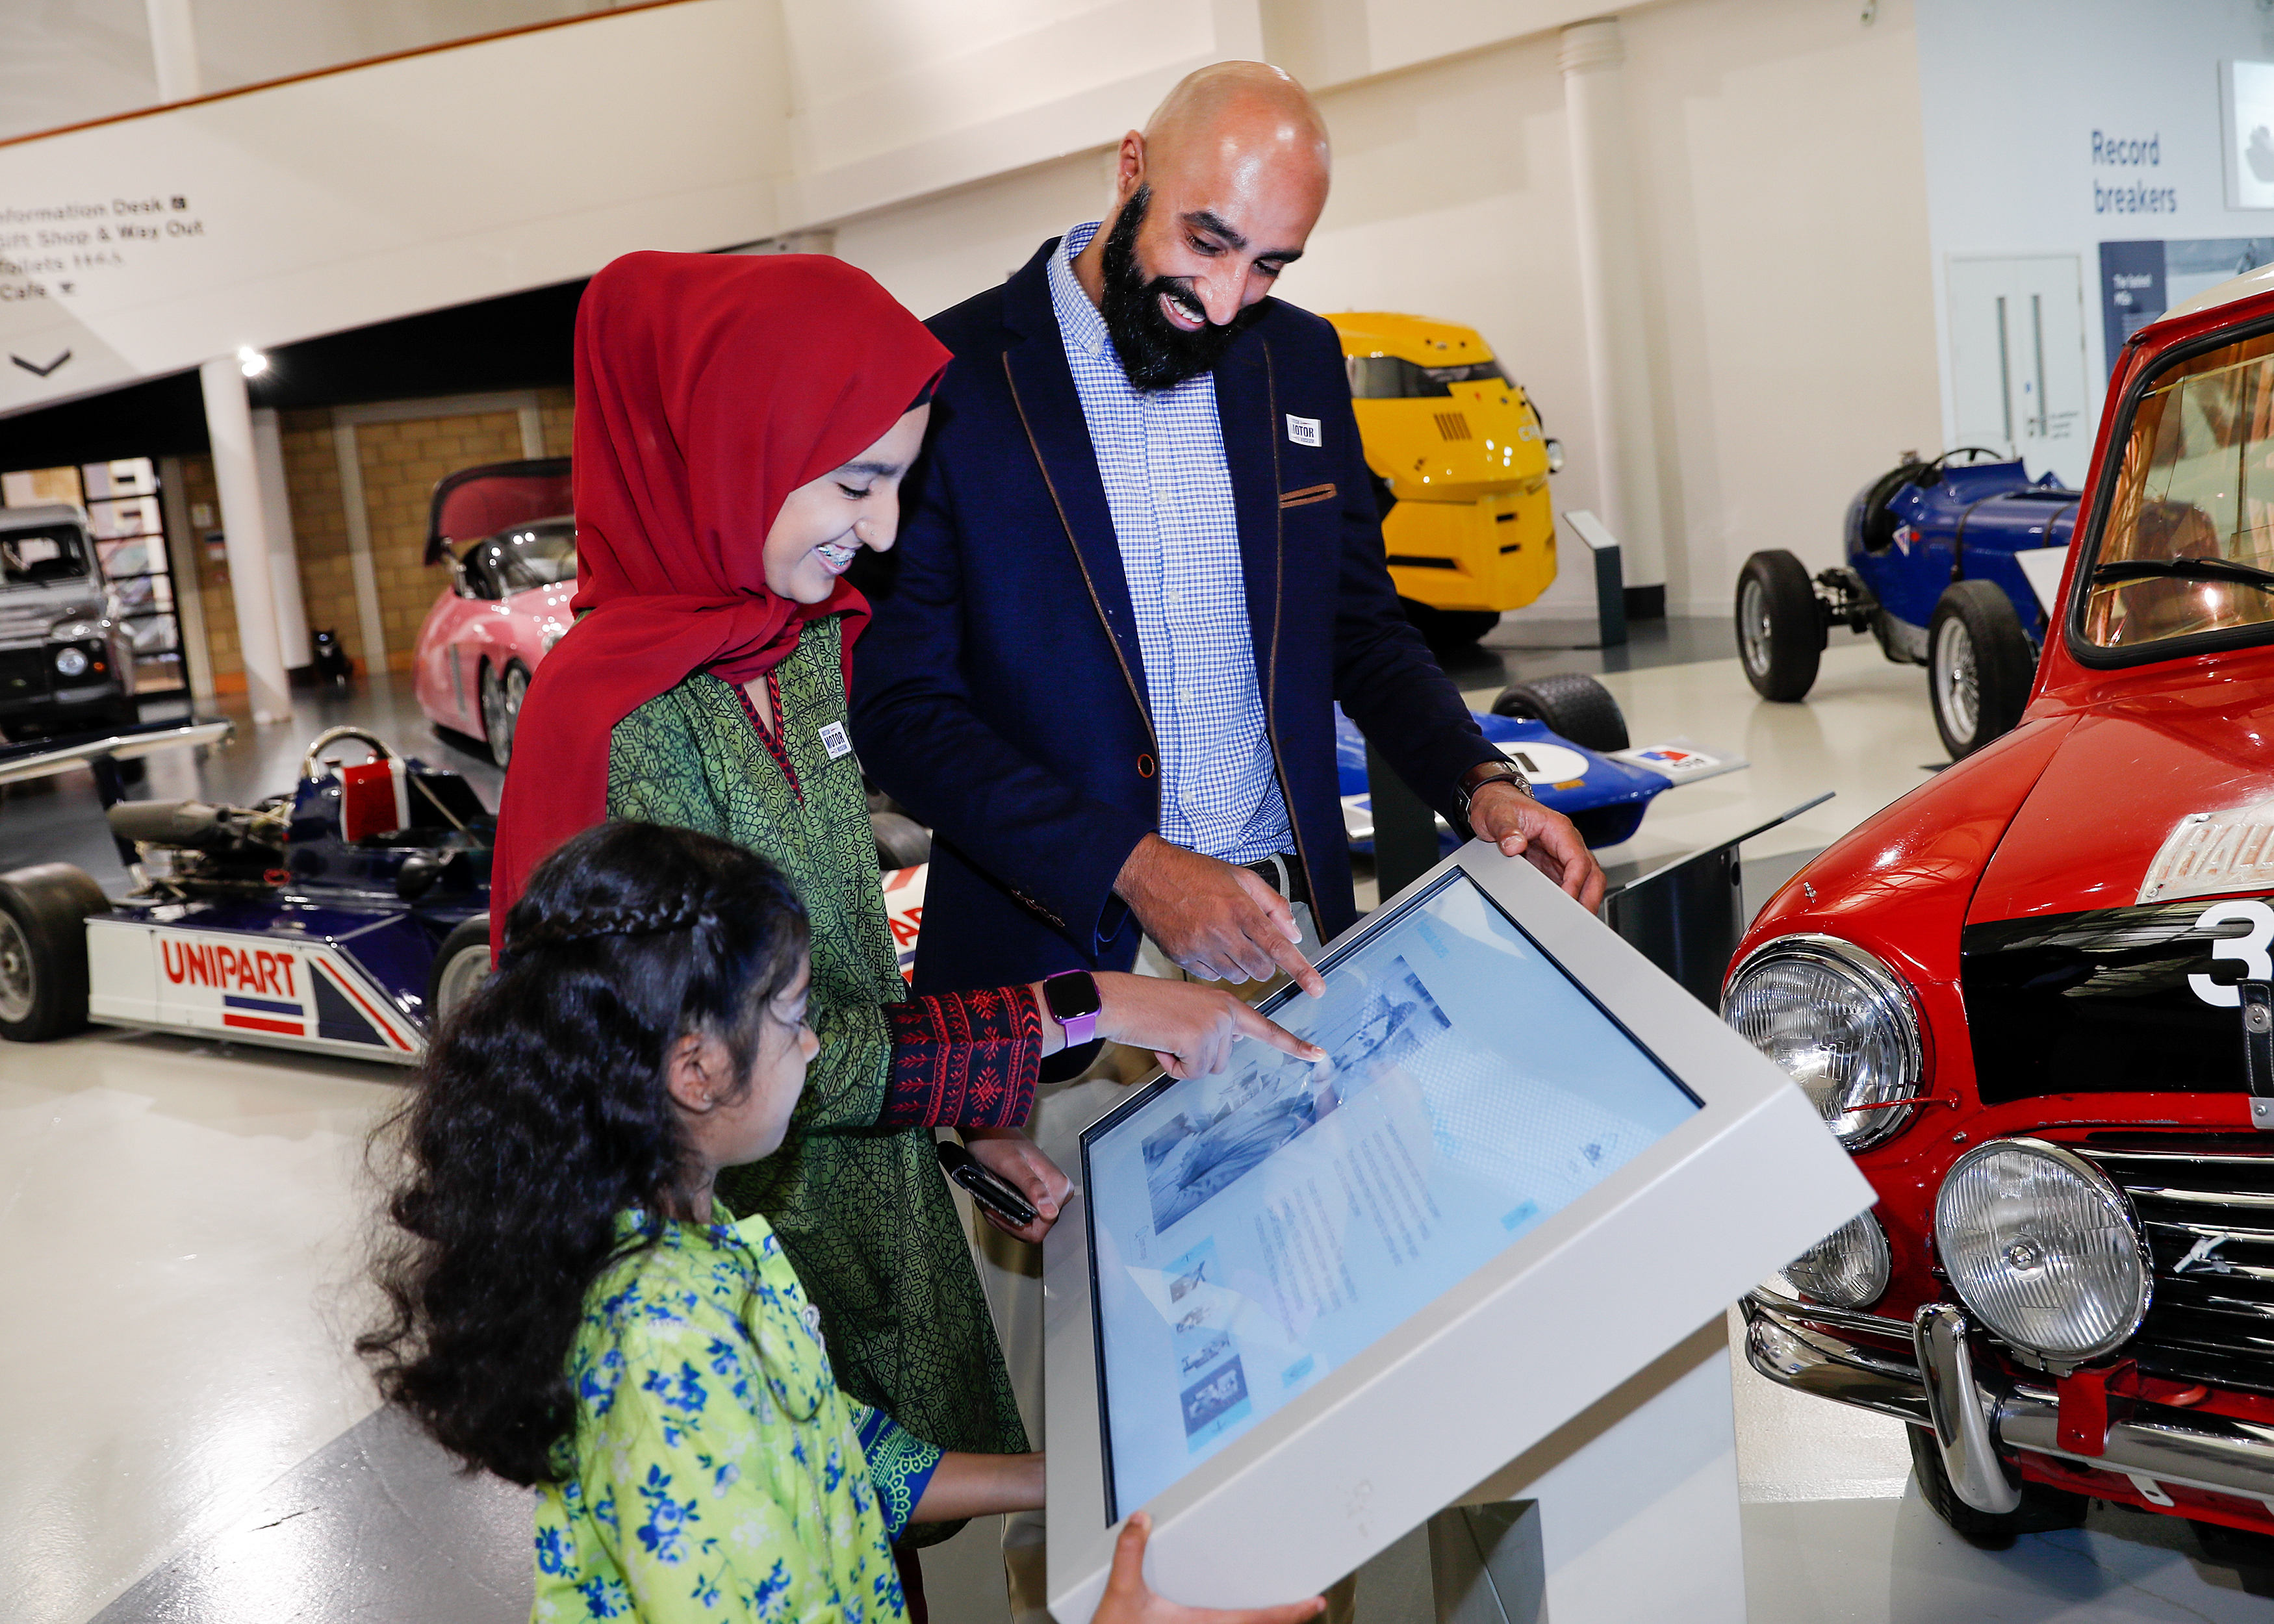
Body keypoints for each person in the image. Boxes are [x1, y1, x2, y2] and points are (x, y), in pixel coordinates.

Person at [849, 62, 1607, 1622]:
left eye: (1268, 266)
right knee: (1104, 1446)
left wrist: (1478, 778)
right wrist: (1133, 863)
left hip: (1280, 958)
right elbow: (908, 708)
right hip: (1064, 977)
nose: (1223, 297)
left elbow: (1355, 624)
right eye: (1203, 244)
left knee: (1304, 1395)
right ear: (1128, 166)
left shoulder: (1298, 363)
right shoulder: (955, 376)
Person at [487, 251, 1321, 1609]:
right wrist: (1092, 1001)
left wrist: (958, 1103)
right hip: (748, 1239)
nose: (877, 535)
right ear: (733, 452)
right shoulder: (623, 724)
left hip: (841, 1229)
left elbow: (834, 978)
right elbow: (710, 1048)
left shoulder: (791, 642)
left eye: (896, 485)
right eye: (853, 485)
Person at [363, 820, 1328, 1624]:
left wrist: (1072, 1473)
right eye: (791, 1016)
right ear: (695, 1071)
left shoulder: (703, 1244)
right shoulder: (669, 1351)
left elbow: (837, 1451)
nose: (815, 1040)